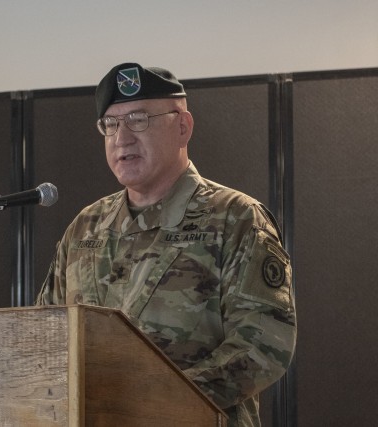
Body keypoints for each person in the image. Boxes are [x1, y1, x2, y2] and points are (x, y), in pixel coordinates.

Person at [36, 62, 297, 426]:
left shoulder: (236, 218)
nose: (122, 138)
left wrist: (150, 401)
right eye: (110, 125)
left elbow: (263, 346)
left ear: (182, 127)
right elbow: (44, 338)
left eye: (138, 119)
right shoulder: (85, 227)